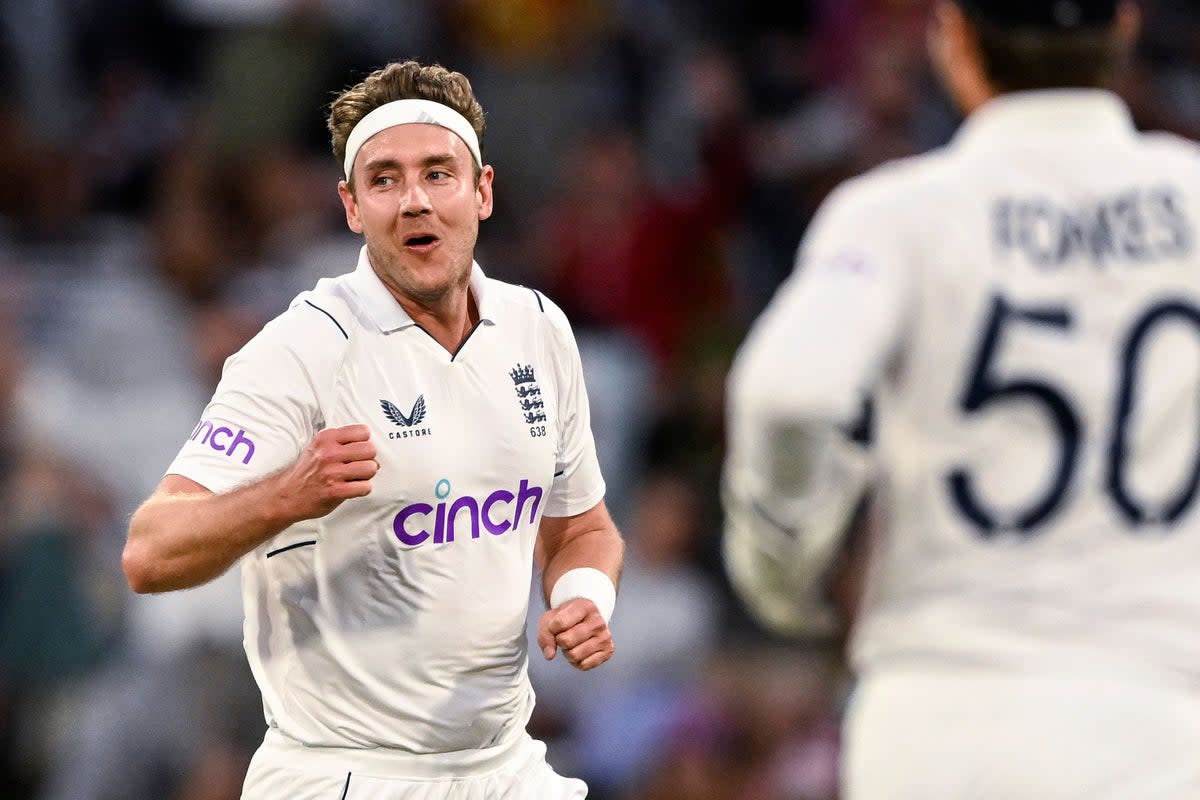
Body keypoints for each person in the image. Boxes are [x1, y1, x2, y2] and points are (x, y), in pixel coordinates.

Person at [721, 1, 1200, 798]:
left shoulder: (896, 212)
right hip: (1154, 714)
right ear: (1123, 27)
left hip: (942, 714)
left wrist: (781, 574)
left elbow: (788, 391)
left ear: (956, 40)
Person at [122, 59, 625, 799]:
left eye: (437, 174)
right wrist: (284, 496)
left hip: (504, 766)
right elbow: (149, 552)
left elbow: (581, 523)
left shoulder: (538, 328)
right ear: (352, 207)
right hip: (346, 774)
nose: (414, 201)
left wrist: (583, 596)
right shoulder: (300, 351)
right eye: (385, 180)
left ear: (482, 191)